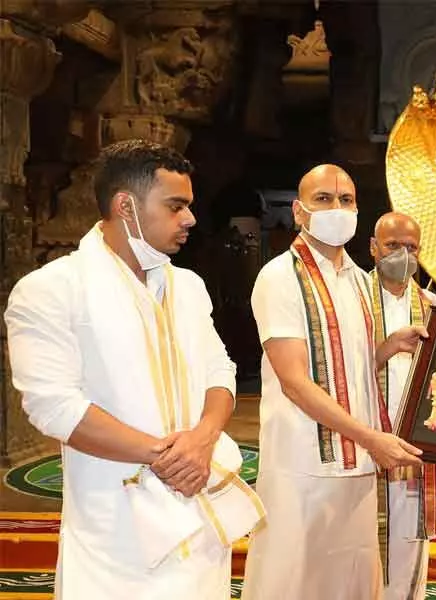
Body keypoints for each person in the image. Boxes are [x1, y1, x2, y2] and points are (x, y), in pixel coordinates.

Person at [4, 139, 263, 599]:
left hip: (198, 508)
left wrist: (202, 440)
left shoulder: (188, 286)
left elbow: (219, 370)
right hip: (117, 531)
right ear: (126, 205)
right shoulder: (51, 288)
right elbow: (55, 407)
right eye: (176, 205)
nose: (191, 219)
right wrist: (167, 456)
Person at [242, 164, 426, 600]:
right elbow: (294, 381)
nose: (337, 208)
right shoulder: (279, 277)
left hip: (356, 465)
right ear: (300, 211)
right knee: (292, 580)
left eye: (346, 200)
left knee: (352, 581)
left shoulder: (359, 282)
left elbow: (351, 366)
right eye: (324, 199)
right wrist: (371, 437)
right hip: (301, 465)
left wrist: (388, 346)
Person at [369, 211, 436, 600]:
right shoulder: (353, 299)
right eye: (393, 246)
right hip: (364, 447)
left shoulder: (435, 306)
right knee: (361, 546)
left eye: (411, 248)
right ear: (373, 248)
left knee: (408, 547)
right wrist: (386, 347)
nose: (403, 255)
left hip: (415, 449)